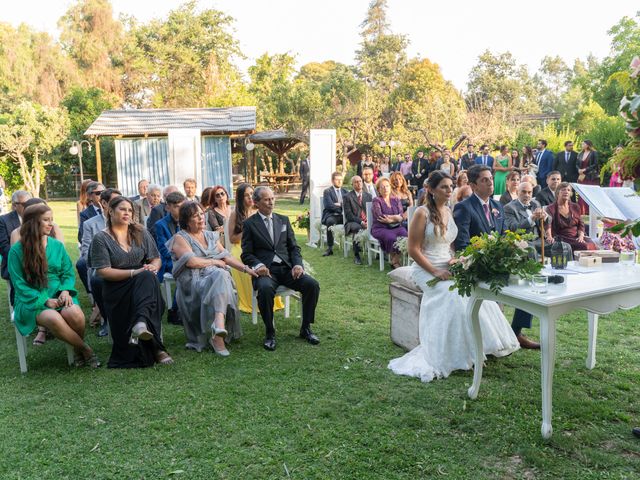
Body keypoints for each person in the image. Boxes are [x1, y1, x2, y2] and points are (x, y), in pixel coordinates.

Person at [388, 171, 519, 382]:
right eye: (444, 187)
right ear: (431, 189)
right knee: (453, 297)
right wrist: (435, 271)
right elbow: (413, 250)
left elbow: (449, 245)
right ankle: (454, 353)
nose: (449, 190)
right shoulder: (421, 213)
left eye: (451, 186)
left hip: (447, 264)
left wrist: (455, 260)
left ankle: (479, 347)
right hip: (425, 268)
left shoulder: (449, 211)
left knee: (475, 294)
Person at [454, 165, 539, 349]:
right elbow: (462, 245)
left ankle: (516, 331)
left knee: (527, 280)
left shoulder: (497, 206)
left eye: (491, 178)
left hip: (501, 263)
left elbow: (504, 235)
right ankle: (501, 336)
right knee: (518, 281)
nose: (490, 182)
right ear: (474, 186)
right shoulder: (464, 208)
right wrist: (488, 256)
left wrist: (512, 248)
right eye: (484, 180)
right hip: (479, 265)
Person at [8, 204, 100, 367]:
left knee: (76, 314)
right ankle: (85, 349)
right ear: (32, 223)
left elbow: (67, 273)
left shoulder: (57, 246)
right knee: (53, 317)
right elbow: (19, 284)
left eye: (52, 220)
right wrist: (44, 300)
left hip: (59, 293)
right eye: (46, 220)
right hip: (31, 300)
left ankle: (77, 351)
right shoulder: (16, 251)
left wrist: (65, 290)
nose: (51, 224)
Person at [90, 196, 172, 368]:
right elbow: (102, 271)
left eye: (129, 210)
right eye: (122, 209)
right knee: (146, 280)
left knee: (148, 277)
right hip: (116, 287)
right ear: (110, 211)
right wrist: (135, 272)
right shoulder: (101, 238)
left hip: (142, 282)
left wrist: (152, 268)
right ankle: (157, 349)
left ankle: (141, 325)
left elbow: (155, 259)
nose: (127, 213)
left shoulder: (140, 232)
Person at [169, 201, 257, 355]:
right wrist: (214, 261)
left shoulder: (210, 236)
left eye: (201, 214)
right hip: (193, 280)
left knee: (221, 274)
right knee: (220, 274)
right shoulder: (180, 238)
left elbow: (227, 257)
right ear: (186, 220)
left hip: (215, 278)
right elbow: (191, 262)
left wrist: (246, 269)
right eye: (195, 216)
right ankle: (218, 333)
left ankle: (218, 328)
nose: (201, 218)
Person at [241, 186, 321, 351]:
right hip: (266, 271)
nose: (271, 202)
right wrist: (259, 265)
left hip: (287, 269)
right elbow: (246, 254)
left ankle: (305, 328)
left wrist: (298, 264)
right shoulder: (249, 224)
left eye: (272, 198)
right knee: (264, 289)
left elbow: (294, 248)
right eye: (266, 199)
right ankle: (270, 332)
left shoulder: (283, 220)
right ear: (256, 203)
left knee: (312, 284)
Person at [9, 197, 64, 346]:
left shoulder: (53, 229)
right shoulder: (17, 235)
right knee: (39, 284)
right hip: (29, 282)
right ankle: (43, 329)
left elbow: (62, 257)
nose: (49, 222)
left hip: (53, 282)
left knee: (51, 285)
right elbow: (20, 266)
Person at [228, 183, 284, 313]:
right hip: (239, 246)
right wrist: (249, 228)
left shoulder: (259, 212)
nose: (249, 197)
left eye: (251, 194)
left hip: (258, 246)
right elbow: (232, 239)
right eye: (246, 195)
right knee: (242, 258)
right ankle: (249, 301)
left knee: (267, 256)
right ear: (240, 198)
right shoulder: (235, 214)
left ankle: (268, 297)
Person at [80, 189, 121, 337]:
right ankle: (107, 318)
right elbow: (85, 253)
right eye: (115, 202)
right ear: (103, 203)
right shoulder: (90, 224)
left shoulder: (127, 222)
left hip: (124, 265)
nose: (119, 206)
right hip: (102, 266)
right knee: (97, 280)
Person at [155, 191, 185, 325]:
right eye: (177, 206)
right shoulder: (160, 225)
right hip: (169, 261)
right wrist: (180, 256)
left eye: (182, 206)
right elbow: (163, 249)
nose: (180, 209)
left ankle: (187, 308)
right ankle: (174, 310)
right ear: (168, 207)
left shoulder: (188, 221)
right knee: (185, 271)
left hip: (187, 258)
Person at [545, 182, 597, 252]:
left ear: (571, 193)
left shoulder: (575, 206)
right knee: (584, 246)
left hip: (576, 237)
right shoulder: (551, 208)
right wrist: (549, 237)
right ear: (557, 193)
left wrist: (581, 236)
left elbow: (581, 224)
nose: (566, 192)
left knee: (592, 244)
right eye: (563, 190)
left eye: (568, 190)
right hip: (561, 238)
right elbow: (548, 224)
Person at [371, 177, 408, 269]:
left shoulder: (396, 199)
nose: (385, 188)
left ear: (390, 187)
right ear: (378, 190)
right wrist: (396, 217)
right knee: (391, 237)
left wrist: (393, 219)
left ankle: (394, 260)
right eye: (382, 187)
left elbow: (401, 214)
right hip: (380, 227)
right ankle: (395, 263)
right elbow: (380, 216)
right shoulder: (376, 200)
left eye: (387, 186)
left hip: (396, 227)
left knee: (405, 236)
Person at [504, 182, 549, 253]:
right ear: (517, 192)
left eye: (529, 192)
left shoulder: (535, 203)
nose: (527, 195)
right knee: (532, 251)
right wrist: (531, 218)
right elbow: (513, 227)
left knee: (563, 247)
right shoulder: (509, 207)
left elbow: (548, 220)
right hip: (522, 241)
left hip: (539, 240)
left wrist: (545, 216)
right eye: (524, 192)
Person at [343, 175, 372, 265]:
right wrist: (361, 221)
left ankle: (379, 252)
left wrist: (369, 221)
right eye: (356, 182)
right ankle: (357, 255)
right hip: (353, 222)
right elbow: (349, 215)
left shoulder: (368, 196)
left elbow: (371, 211)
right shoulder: (347, 196)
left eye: (360, 181)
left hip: (367, 221)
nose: (359, 183)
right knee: (357, 228)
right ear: (352, 184)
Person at [321, 172, 348, 257]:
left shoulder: (346, 191)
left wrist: (339, 204)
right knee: (330, 222)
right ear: (332, 181)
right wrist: (341, 206)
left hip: (343, 216)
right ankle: (330, 248)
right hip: (331, 215)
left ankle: (356, 245)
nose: (340, 182)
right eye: (337, 180)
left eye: (341, 180)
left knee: (354, 221)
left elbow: (348, 206)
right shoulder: (327, 191)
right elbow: (329, 206)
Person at [577, 139, 600, 214]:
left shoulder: (594, 153)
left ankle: (592, 211)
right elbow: (576, 164)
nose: (582, 145)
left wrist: (585, 169)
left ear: (588, 145)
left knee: (591, 194)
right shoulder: (580, 153)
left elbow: (595, 164)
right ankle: (582, 211)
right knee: (582, 194)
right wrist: (579, 169)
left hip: (591, 176)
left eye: (583, 144)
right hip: (581, 176)